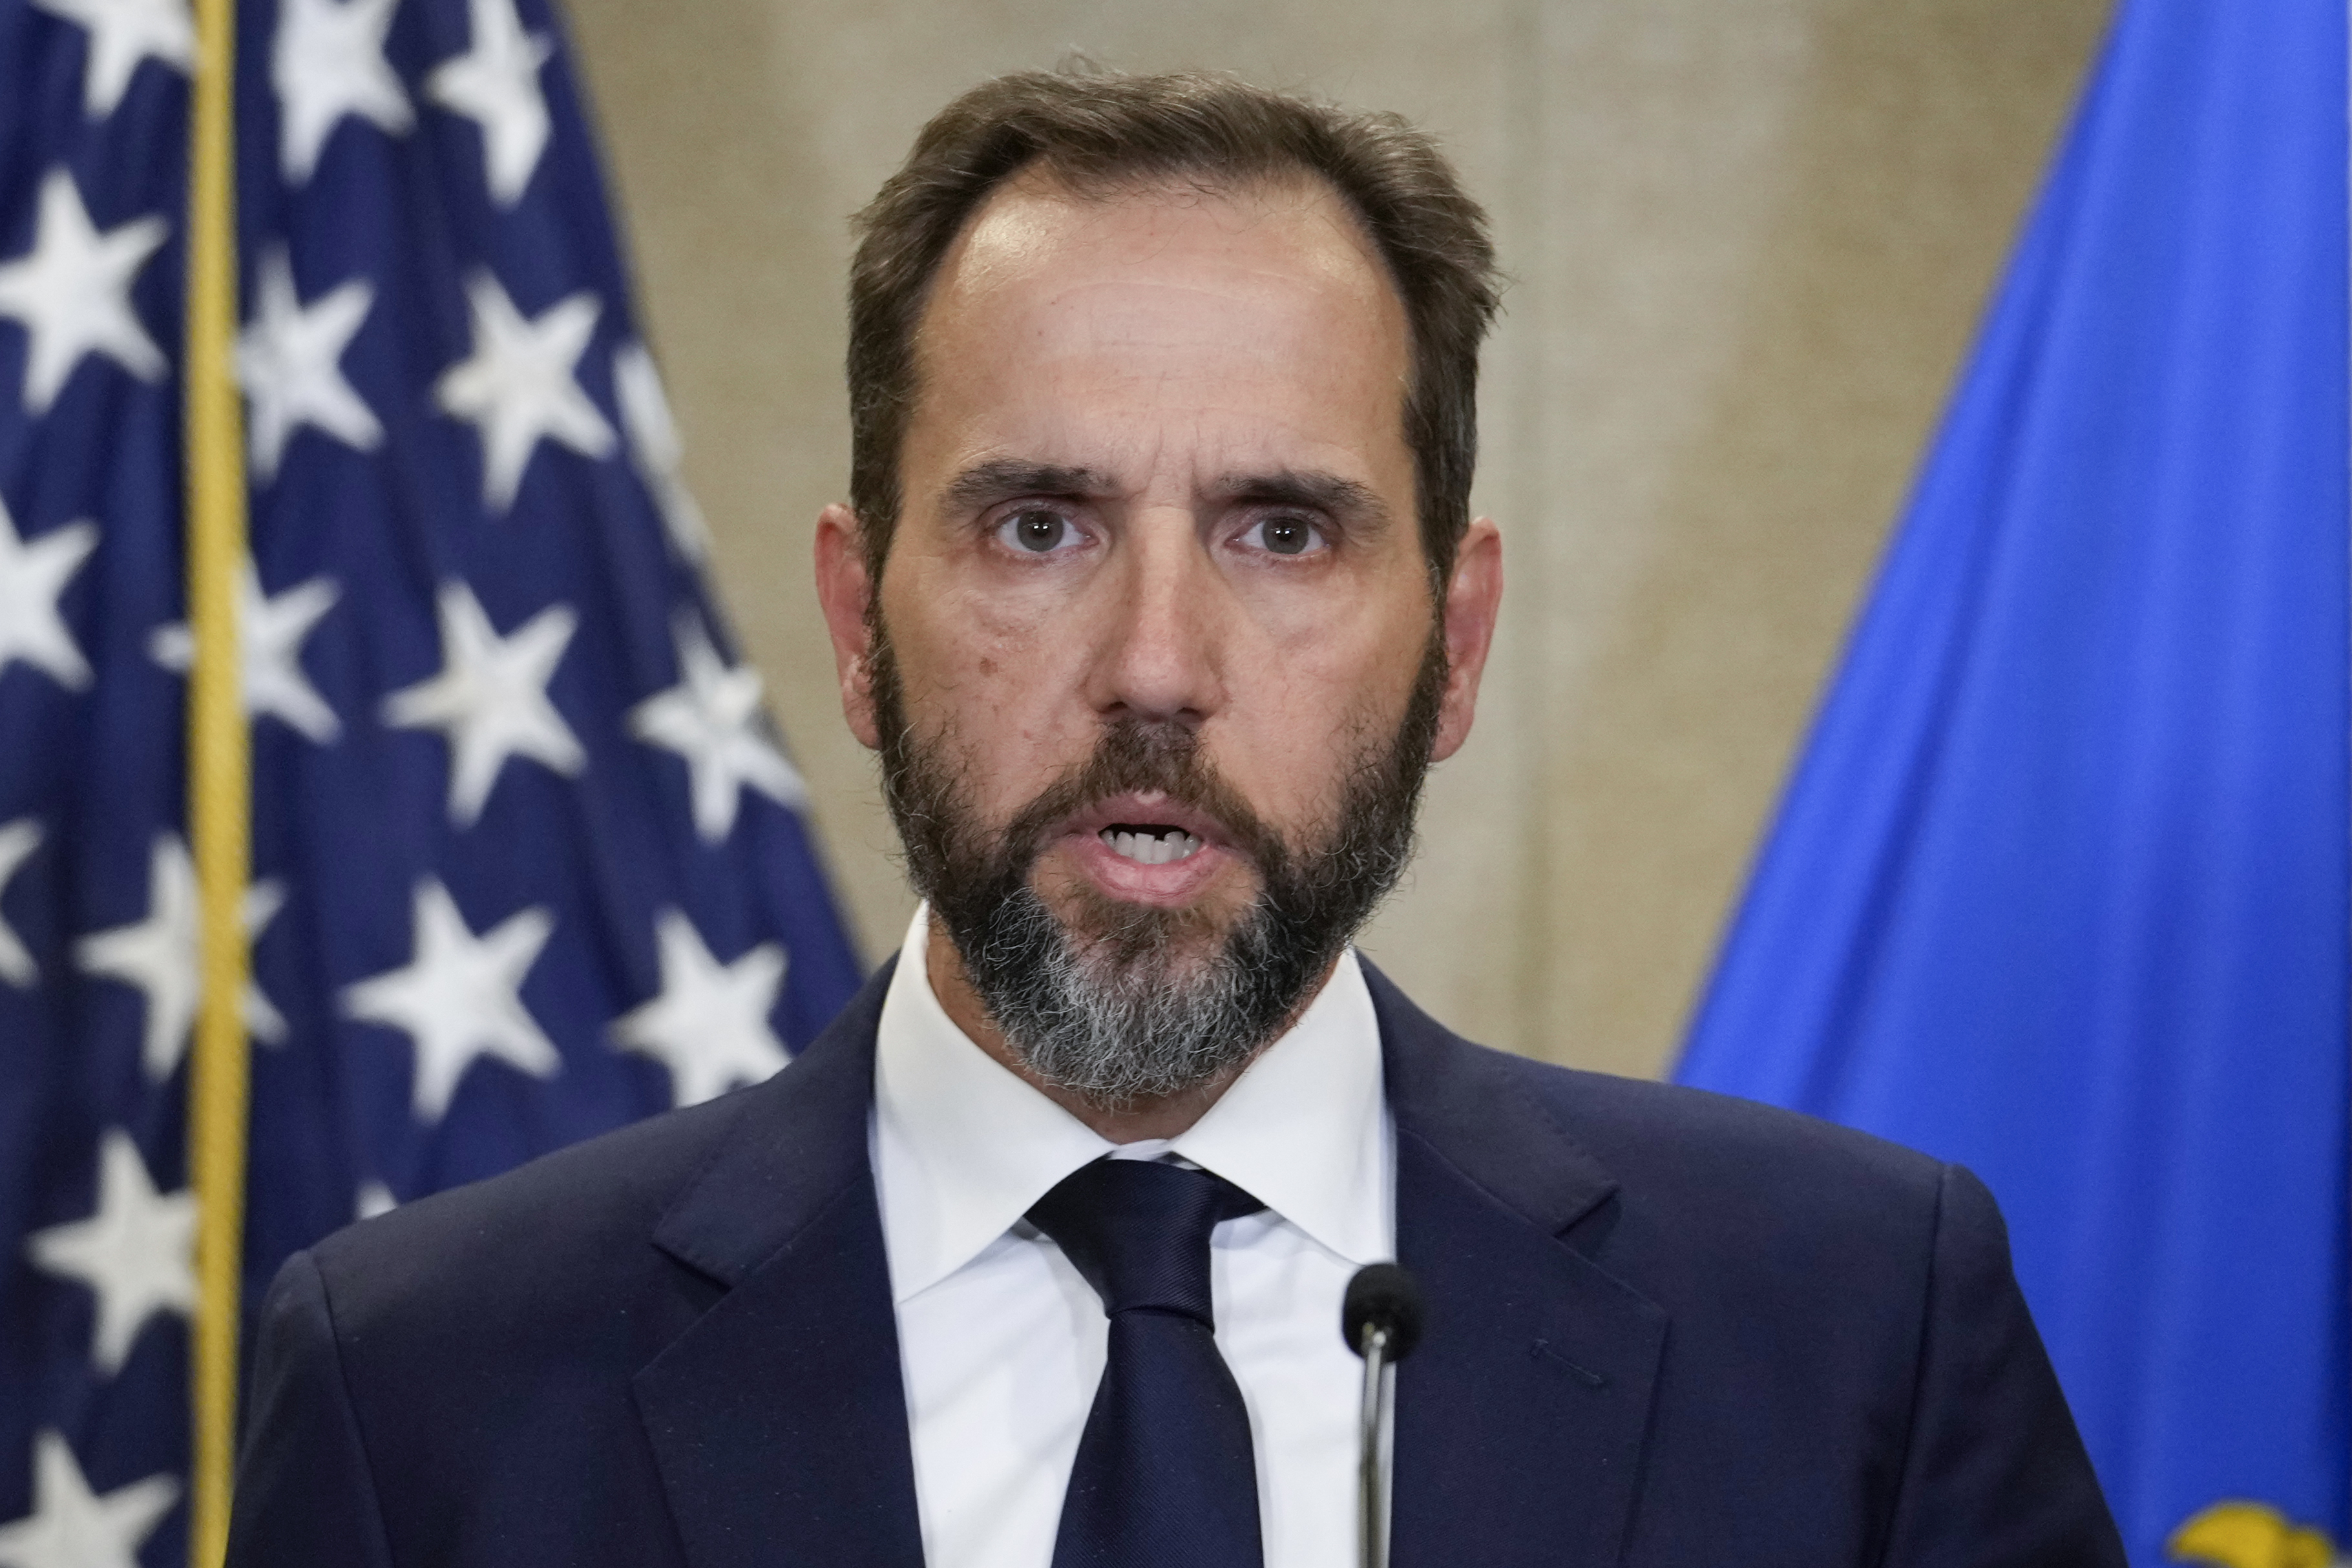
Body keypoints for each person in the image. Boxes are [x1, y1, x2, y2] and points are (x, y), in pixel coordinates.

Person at [226, 69, 2126, 1568]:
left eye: (1281, 531)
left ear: (1454, 645)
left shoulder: (1852, 1328)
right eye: (1037, 525)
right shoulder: (431, 1394)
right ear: (855, 624)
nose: (1154, 662)